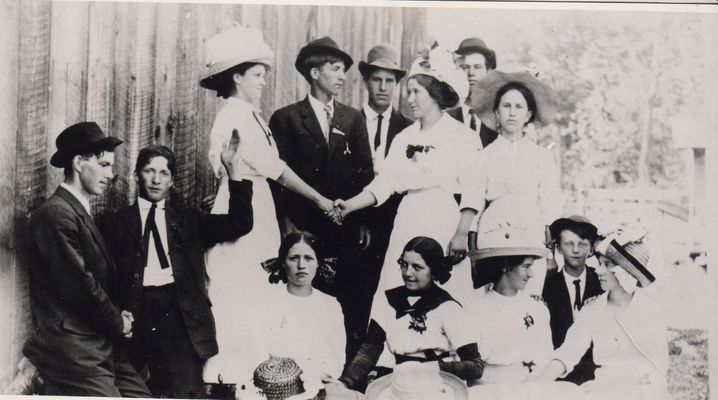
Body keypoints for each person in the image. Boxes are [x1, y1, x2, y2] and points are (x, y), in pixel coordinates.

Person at [198, 25, 337, 383]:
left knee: (258, 291)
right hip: (243, 206)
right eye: (257, 75)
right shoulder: (235, 115)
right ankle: (236, 376)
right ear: (237, 77)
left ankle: (263, 374)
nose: (263, 82)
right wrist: (319, 198)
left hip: (255, 203)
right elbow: (276, 169)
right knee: (241, 291)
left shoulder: (250, 113)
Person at [98, 140, 253, 398]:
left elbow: (239, 223)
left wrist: (234, 174)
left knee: (185, 391)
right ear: (136, 176)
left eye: (164, 173)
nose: (156, 180)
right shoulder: (115, 223)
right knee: (132, 389)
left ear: (172, 181)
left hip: (180, 319)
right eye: (149, 171)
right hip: (135, 317)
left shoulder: (188, 220)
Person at [335, 45, 482, 305]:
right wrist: (349, 205)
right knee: (399, 281)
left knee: (444, 286)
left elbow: (474, 188)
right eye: (409, 92)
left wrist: (461, 234)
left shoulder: (462, 136)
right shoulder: (405, 137)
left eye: (417, 92)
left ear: (435, 95)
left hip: (443, 219)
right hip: (409, 217)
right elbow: (385, 182)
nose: (410, 99)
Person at [22, 122, 150, 397]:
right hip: (71, 347)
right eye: (104, 165)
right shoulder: (55, 214)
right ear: (79, 162)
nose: (111, 174)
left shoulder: (75, 211)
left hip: (98, 342)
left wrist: (119, 318)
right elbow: (80, 287)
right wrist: (119, 323)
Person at [268, 36, 373, 361]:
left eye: (344, 70)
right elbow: (277, 178)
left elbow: (364, 173)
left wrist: (362, 220)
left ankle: (343, 370)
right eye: (335, 69)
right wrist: (285, 224)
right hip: (303, 228)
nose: (342, 77)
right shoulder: (286, 118)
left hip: (345, 225)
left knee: (347, 298)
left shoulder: (353, 118)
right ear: (314, 73)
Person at [531, 232, 670, 399]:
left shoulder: (649, 309)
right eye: (599, 264)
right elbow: (568, 352)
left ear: (624, 271)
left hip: (642, 391)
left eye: (607, 265)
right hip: (603, 391)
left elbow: (658, 365)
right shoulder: (594, 309)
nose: (598, 270)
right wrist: (540, 383)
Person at [336, 237, 484, 392]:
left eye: (417, 267)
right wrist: (345, 383)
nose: (408, 273)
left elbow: (475, 366)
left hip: (434, 386)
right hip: (398, 384)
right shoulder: (389, 300)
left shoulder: (448, 307)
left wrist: (430, 368)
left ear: (434, 271)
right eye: (404, 264)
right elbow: (370, 349)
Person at [341, 43, 413, 359]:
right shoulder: (346, 122)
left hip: (395, 226)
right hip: (354, 228)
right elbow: (342, 179)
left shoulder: (409, 131)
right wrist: (359, 222)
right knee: (354, 297)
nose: (383, 88)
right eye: (377, 80)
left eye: (389, 81)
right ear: (366, 82)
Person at [469, 71, 563, 295]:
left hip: (530, 234)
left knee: (528, 298)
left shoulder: (541, 157)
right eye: (506, 106)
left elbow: (550, 206)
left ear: (529, 114)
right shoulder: (483, 156)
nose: (512, 112)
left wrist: (550, 252)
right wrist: (473, 252)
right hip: (492, 236)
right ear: (496, 113)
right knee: (491, 298)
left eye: (519, 107)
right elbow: (474, 205)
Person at [467, 226, 554, 386]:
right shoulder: (476, 310)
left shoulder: (537, 309)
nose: (531, 274)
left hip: (529, 388)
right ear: (506, 266)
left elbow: (545, 357)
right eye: (526, 266)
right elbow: (470, 365)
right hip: (487, 390)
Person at [259, 231, 346, 382]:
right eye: (294, 258)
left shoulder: (329, 305)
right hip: (276, 387)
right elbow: (260, 353)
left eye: (308, 258)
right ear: (283, 262)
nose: (301, 265)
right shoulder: (269, 302)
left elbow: (335, 357)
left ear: (318, 262)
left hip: (320, 384)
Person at [541, 215, 603, 384]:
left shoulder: (601, 283)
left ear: (591, 249)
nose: (575, 250)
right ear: (559, 248)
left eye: (582, 244)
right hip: (558, 377)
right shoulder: (547, 286)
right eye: (568, 244)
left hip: (597, 375)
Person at [448, 37, 499, 148]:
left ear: (488, 72)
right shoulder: (445, 116)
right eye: (465, 67)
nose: (471, 73)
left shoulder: (498, 118)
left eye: (477, 67)